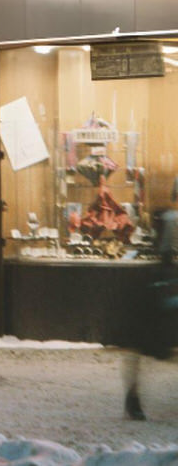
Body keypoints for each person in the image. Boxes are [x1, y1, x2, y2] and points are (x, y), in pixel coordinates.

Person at [121, 180, 178, 420]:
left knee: (140, 343)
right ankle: (133, 397)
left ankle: (132, 396)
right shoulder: (172, 220)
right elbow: (166, 254)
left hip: (163, 283)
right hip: (168, 285)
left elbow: (163, 253)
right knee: (148, 339)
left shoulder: (169, 218)